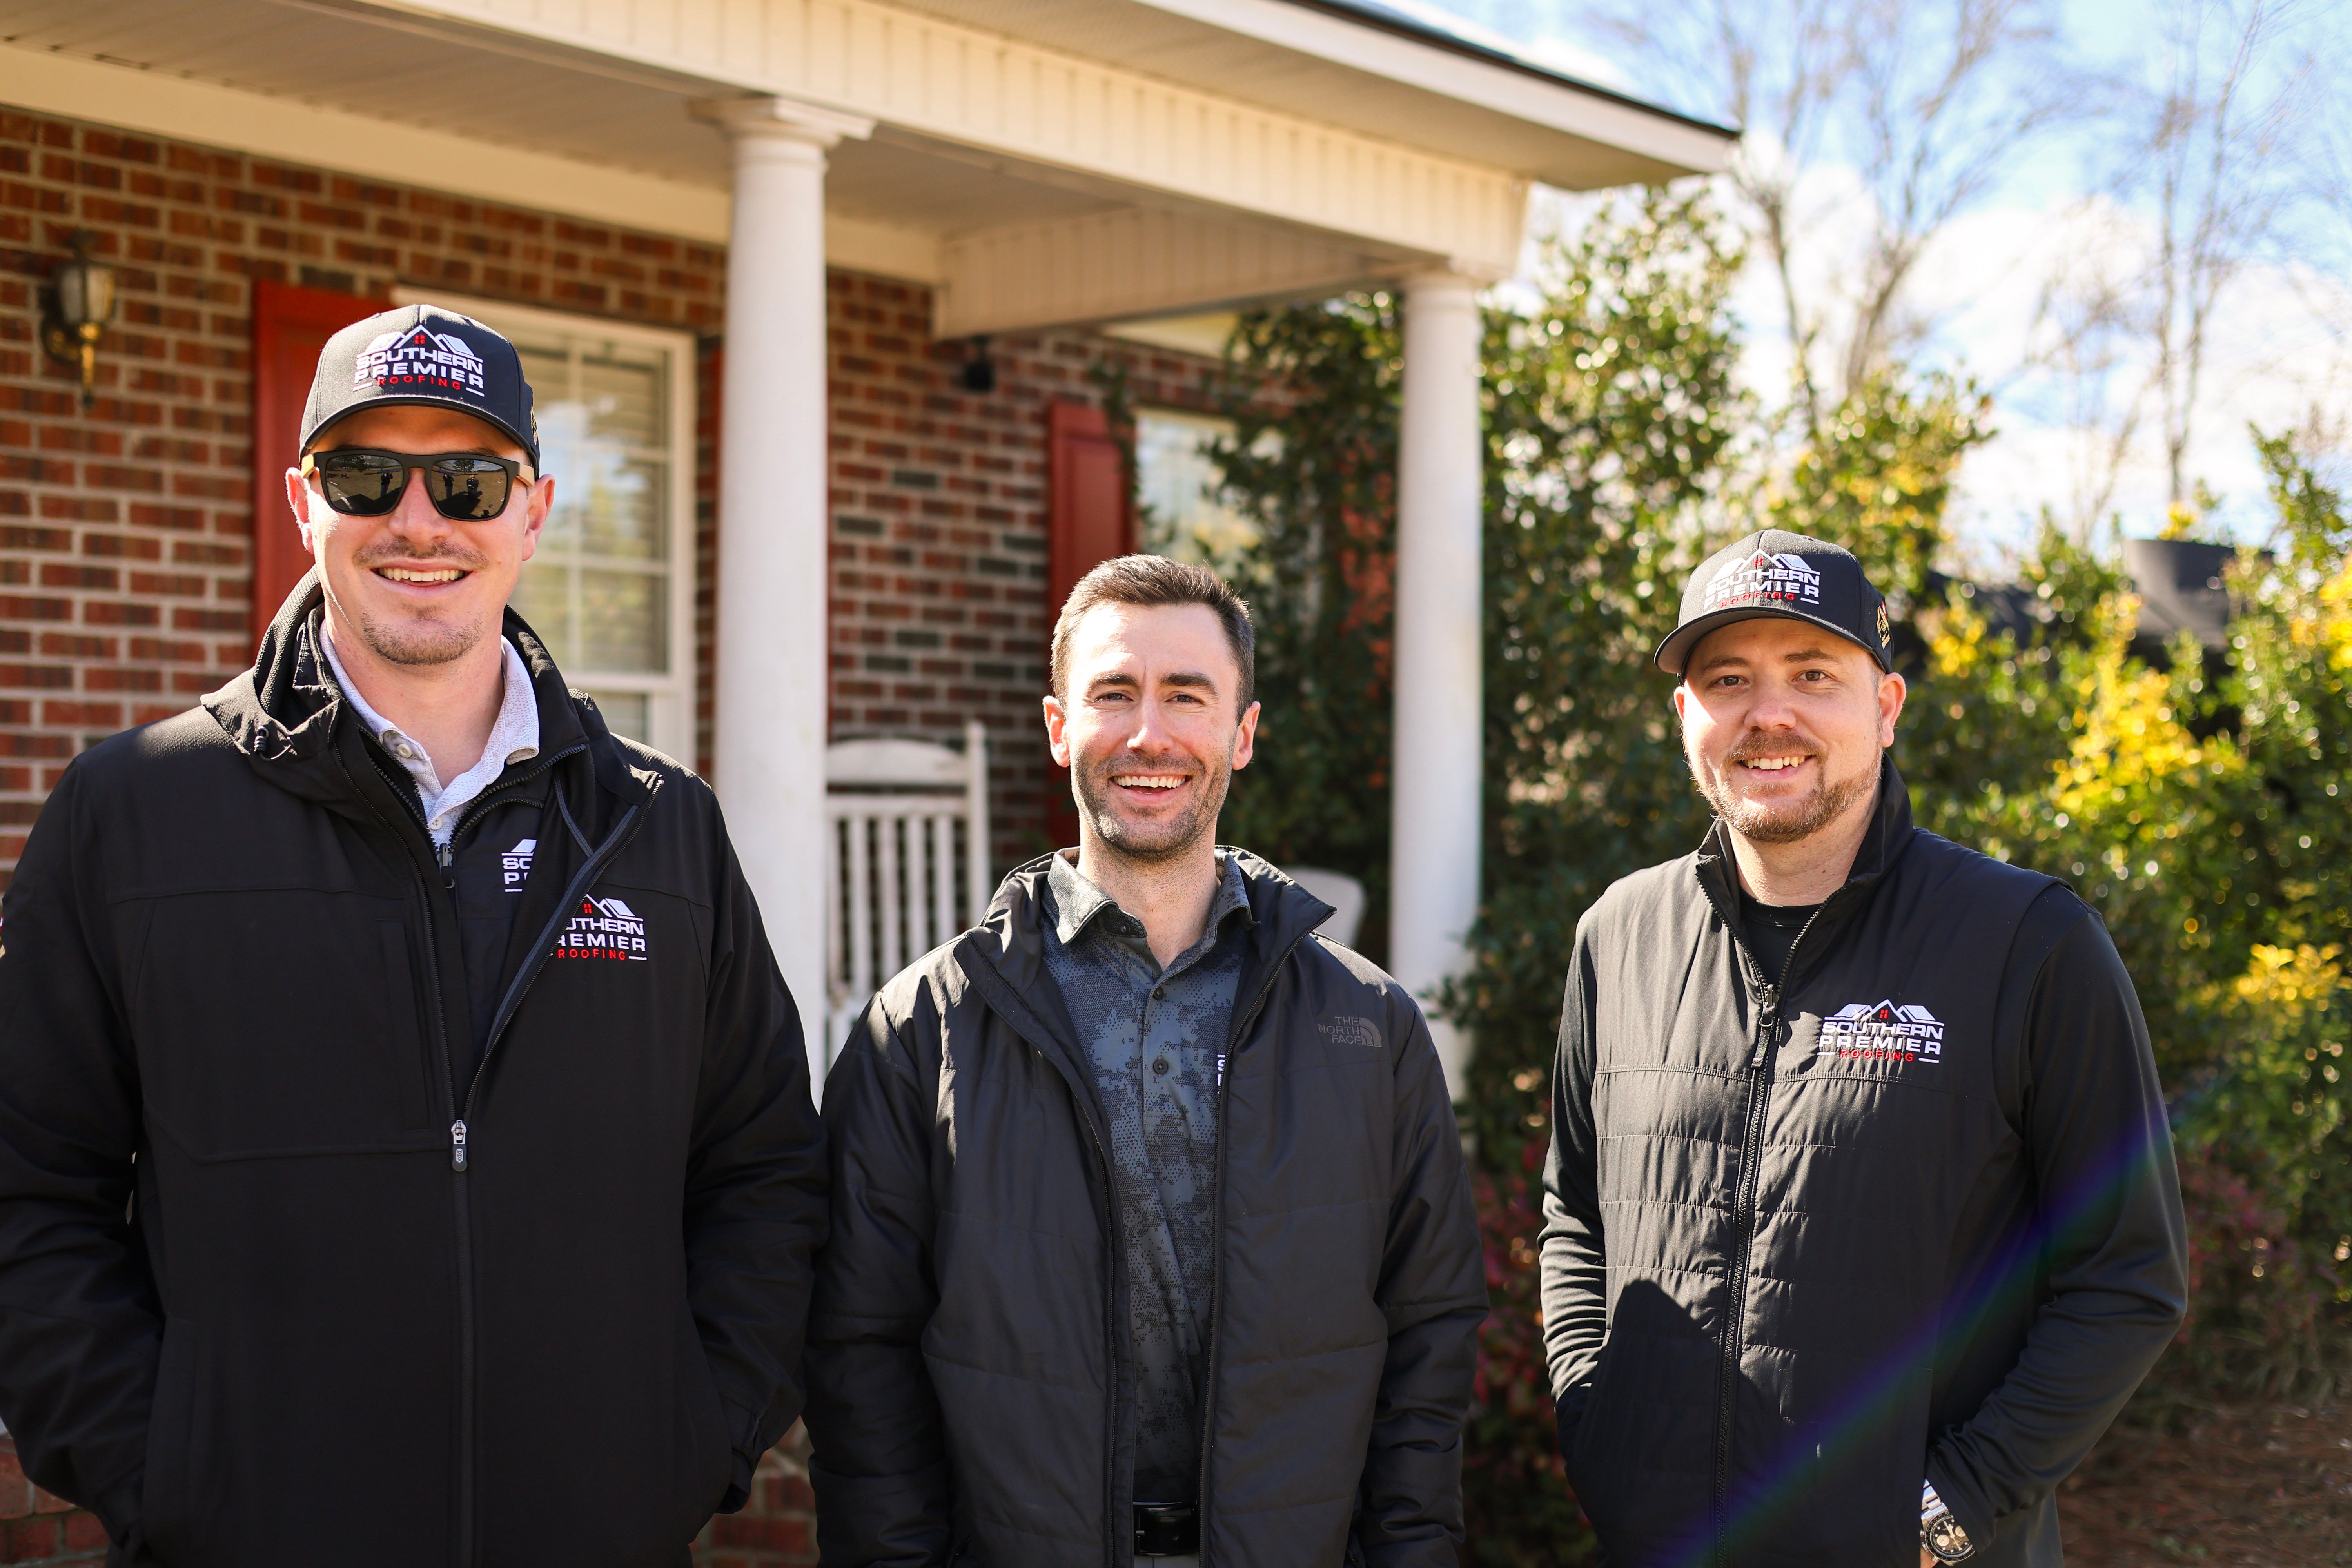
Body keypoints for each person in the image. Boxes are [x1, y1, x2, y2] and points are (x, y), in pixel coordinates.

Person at [0, 304, 826, 1568]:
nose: (420, 521)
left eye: (470, 483)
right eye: (367, 476)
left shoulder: (660, 829)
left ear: (533, 512)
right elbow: (30, 1190)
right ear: (303, 502)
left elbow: (765, 1174)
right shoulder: (132, 815)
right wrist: (164, 1473)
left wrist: (687, 1439)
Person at [804, 555, 1484, 1568]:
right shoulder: (921, 1032)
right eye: (1114, 694)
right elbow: (861, 1358)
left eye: (1187, 697)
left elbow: (1429, 1334)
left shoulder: (1369, 1029)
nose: (1149, 735)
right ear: (1058, 727)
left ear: (1242, 733)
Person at [1539, 530, 2189, 1568]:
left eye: (1813, 674)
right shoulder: (1619, 937)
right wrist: (1597, 1426)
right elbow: (1576, 1214)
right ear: (1685, 714)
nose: (1769, 714)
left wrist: (1951, 1508)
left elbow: (2128, 1274)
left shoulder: (2027, 942)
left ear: (1886, 707)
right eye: (1728, 679)